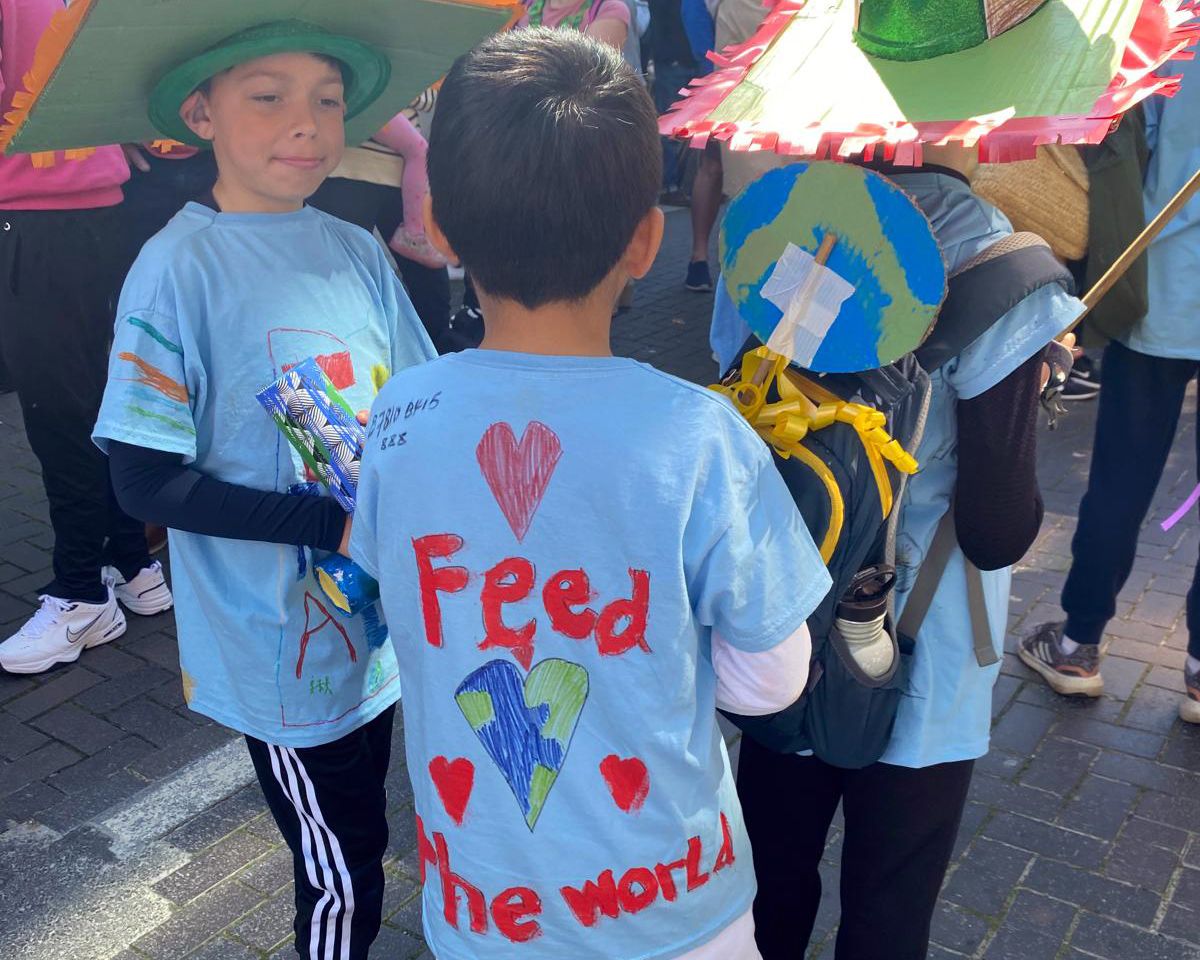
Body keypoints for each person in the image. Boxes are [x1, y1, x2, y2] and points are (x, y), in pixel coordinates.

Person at [0, 5, 493, 952]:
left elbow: (418, 399)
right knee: (342, 866)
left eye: (327, 99)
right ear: (200, 115)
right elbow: (143, 484)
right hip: (278, 651)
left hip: (380, 624)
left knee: (373, 825)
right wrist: (332, 528)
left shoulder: (352, 244)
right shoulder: (174, 268)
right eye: (267, 98)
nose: (305, 123)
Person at [350, 28, 831, 960]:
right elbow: (775, 681)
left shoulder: (400, 414)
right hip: (679, 911)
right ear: (646, 240)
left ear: (441, 225)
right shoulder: (701, 435)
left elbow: (393, 596)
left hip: (486, 909)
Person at [1021, 51, 1200, 724]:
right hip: (1159, 300)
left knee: (1120, 483)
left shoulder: (1168, 39)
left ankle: (1077, 645)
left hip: (1155, 295)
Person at [0, 0, 168, 676]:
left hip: (36, 220)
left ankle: (81, 592)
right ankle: (129, 560)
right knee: (97, 398)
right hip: (98, 210)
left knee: (60, 413)